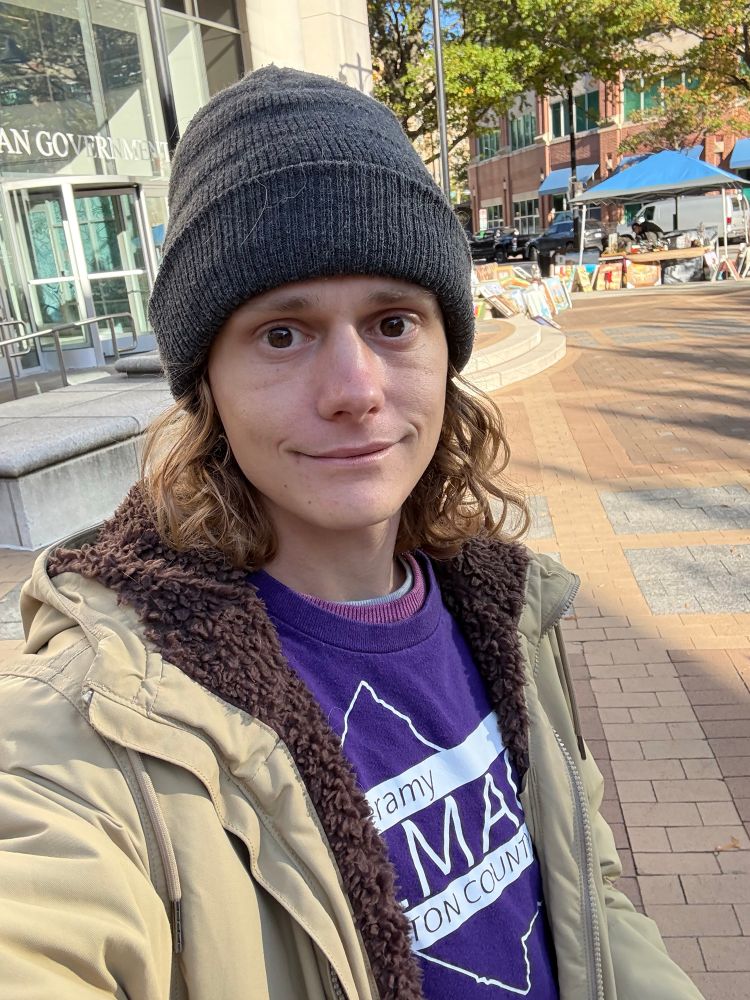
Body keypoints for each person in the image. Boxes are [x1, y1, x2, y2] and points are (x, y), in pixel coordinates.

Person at [0, 68, 703, 1000]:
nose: (355, 389)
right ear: (205, 381)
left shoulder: (503, 610)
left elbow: (589, 899)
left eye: (393, 321)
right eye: (282, 334)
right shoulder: (106, 720)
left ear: (447, 348)